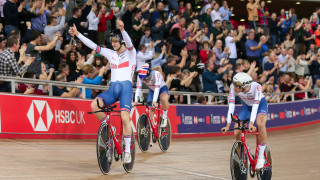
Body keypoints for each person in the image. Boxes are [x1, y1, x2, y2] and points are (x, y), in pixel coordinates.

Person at [69, 19, 136, 164]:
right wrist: (78, 34)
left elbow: (129, 43)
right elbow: (93, 45)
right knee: (94, 105)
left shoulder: (131, 53)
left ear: (121, 41)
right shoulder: (110, 53)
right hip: (113, 89)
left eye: (116, 41)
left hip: (126, 89)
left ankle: (128, 152)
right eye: (112, 41)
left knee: (125, 118)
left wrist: (123, 29)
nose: (113, 44)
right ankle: (109, 126)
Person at [221, 72, 268, 170]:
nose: (233, 88)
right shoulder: (233, 87)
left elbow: (255, 106)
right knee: (236, 131)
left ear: (243, 86)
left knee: (260, 124)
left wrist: (251, 123)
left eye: (236, 86)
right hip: (246, 107)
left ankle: (260, 157)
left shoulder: (257, 87)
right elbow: (231, 106)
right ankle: (244, 154)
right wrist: (228, 124)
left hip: (260, 105)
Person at [134, 64, 170, 129]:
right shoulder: (140, 76)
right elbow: (138, 88)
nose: (146, 81)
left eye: (147, 79)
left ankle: (164, 116)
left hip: (161, 88)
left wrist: (154, 101)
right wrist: (136, 101)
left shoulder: (157, 74)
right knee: (150, 111)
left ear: (150, 74)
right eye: (144, 80)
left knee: (163, 99)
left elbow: (157, 89)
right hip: (152, 90)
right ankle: (153, 128)